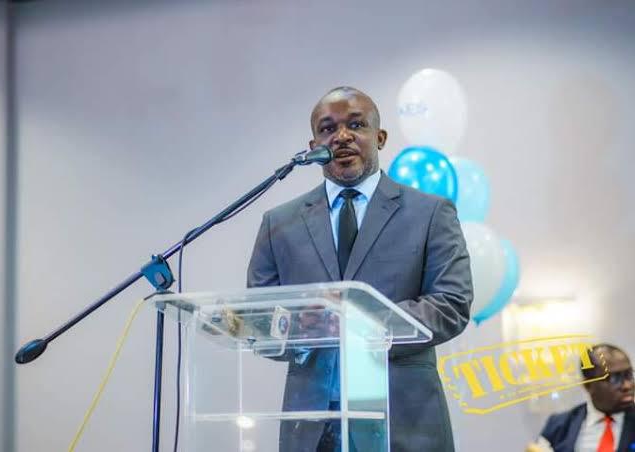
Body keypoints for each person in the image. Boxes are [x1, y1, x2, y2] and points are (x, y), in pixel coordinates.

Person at [247, 86, 473, 452]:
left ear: (380, 137)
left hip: (405, 423)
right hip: (311, 429)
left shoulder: (430, 213)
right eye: (327, 129)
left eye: (356, 125)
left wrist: (360, 321)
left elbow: (451, 304)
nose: (341, 136)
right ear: (313, 146)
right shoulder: (279, 223)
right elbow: (257, 318)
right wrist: (297, 323)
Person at [528, 343, 635, 452]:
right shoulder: (560, 425)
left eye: (629, 375)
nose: (627, 385)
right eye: (614, 378)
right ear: (588, 385)